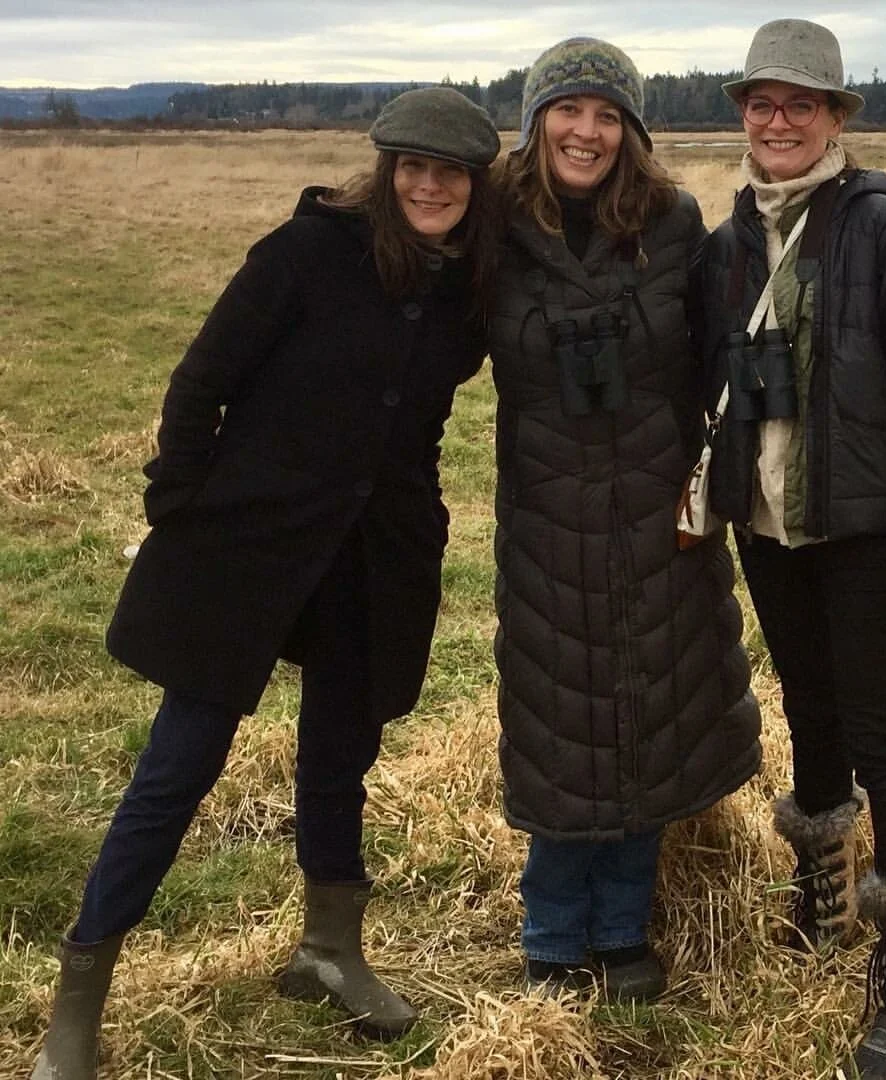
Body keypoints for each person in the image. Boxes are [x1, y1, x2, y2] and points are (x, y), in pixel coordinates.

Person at [30, 86, 500, 1078]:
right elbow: (202, 381)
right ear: (387, 171)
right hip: (249, 546)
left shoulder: (470, 285)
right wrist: (181, 506)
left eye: (451, 173)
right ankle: (81, 992)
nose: (430, 186)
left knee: (339, 758)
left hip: (374, 557)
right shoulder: (306, 254)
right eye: (414, 168)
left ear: (474, 185)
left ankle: (328, 952)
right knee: (178, 766)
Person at [700, 19, 886, 1079]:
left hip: (863, 535)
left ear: (833, 118)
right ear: (743, 115)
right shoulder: (729, 242)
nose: (779, 121)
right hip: (769, 531)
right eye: (762, 103)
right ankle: (822, 895)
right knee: (809, 712)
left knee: (881, 735)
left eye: (800, 104)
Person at [488, 36, 762, 1003]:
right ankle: (552, 932)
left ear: (631, 132)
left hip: (659, 514)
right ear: (536, 123)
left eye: (608, 115)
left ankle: (622, 927)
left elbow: (728, 351)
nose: (587, 132)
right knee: (560, 718)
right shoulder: (492, 229)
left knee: (653, 705)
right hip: (547, 521)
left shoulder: (672, 223)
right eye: (568, 110)